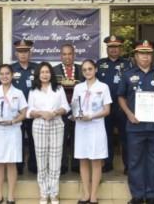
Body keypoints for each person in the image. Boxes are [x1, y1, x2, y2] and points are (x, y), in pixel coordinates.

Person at [117, 40, 154, 204]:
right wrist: (128, 113)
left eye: (148, 54)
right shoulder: (128, 75)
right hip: (135, 126)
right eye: (142, 53)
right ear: (136, 55)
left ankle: (152, 195)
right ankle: (137, 195)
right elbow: (120, 96)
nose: (145, 57)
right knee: (135, 162)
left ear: (151, 55)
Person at [0, 64, 27, 204]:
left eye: (7, 73)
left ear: (12, 75)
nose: (4, 76)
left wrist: (13, 121)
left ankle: (11, 195)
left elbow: (24, 113)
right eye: (2, 74)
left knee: (11, 162)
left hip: (12, 131)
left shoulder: (18, 93)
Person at [27, 62, 70, 204]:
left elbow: (66, 106)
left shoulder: (58, 88)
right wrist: (41, 113)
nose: (45, 74)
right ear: (38, 75)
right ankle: (44, 193)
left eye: (47, 72)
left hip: (56, 124)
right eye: (42, 72)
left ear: (51, 74)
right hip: (39, 125)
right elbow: (29, 111)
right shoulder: (33, 91)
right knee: (41, 160)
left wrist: (56, 112)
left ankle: (54, 193)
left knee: (55, 159)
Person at [72, 59, 112, 204]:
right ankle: (86, 193)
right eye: (84, 70)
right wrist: (74, 115)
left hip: (96, 127)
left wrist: (92, 117)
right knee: (83, 160)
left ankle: (94, 194)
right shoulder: (78, 87)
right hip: (81, 127)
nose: (87, 72)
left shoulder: (103, 87)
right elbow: (75, 107)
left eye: (90, 69)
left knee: (96, 161)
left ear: (95, 69)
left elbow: (107, 110)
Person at [96, 35, 132, 174]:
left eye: (116, 47)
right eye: (110, 47)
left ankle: (128, 165)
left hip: (122, 107)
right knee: (106, 137)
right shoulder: (99, 64)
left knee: (125, 137)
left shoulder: (128, 64)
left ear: (120, 48)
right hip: (105, 108)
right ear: (107, 48)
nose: (113, 50)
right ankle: (108, 163)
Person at [53, 44, 84, 174]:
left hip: (78, 105)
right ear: (60, 56)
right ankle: (63, 163)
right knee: (62, 135)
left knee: (78, 134)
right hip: (62, 106)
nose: (67, 57)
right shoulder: (54, 70)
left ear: (74, 55)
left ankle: (77, 163)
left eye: (69, 54)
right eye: (64, 54)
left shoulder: (82, 69)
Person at [11, 39, 39, 175]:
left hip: (33, 111)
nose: (23, 55)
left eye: (26, 52)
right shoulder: (11, 69)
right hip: (17, 112)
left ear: (30, 53)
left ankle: (34, 164)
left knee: (35, 138)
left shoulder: (37, 68)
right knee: (18, 138)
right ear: (16, 53)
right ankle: (19, 164)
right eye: (20, 52)